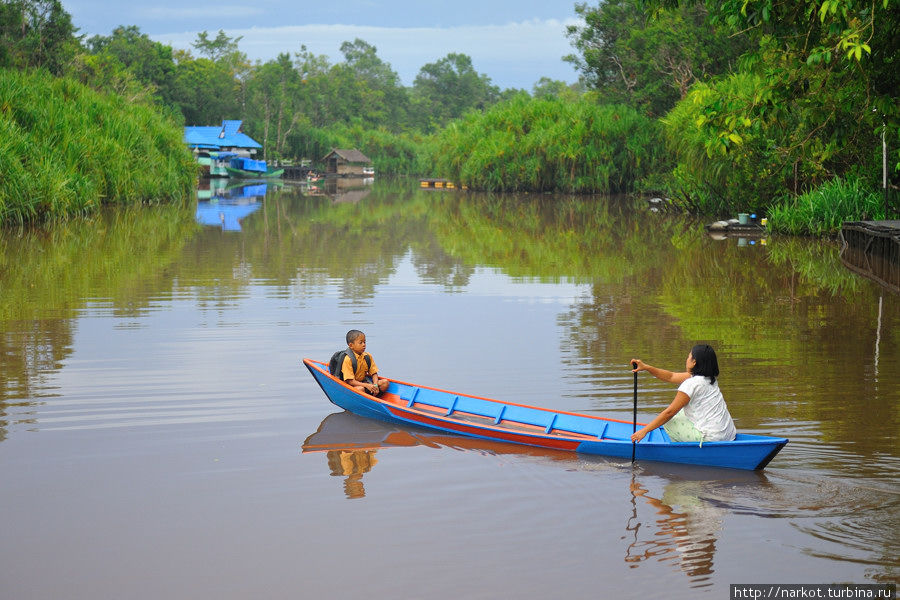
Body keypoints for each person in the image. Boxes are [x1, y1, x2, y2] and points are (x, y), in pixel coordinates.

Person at [630, 344, 736, 444]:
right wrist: (647, 367)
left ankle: (680, 450)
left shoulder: (690, 384)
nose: (687, 359)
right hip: (729, 435)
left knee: (669, 421)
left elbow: (669, 413)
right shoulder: (708, 378)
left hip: (712, 438)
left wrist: (644, 431)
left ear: (694, 362)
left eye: (689, 356)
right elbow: (671, 376)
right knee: (681, 412)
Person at [341, 329, 389, 396]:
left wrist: (375, 385)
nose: (364, 345)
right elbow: (350, 381)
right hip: (353, 385)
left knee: (385, 382)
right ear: (351, 345)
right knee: (361, 389)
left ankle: (375, 395)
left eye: (364, 342)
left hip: (364, 382)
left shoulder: (367, 356)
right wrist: (366, 385)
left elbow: (374, 373)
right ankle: (368, 397)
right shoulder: (348, 359)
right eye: (360, 343)